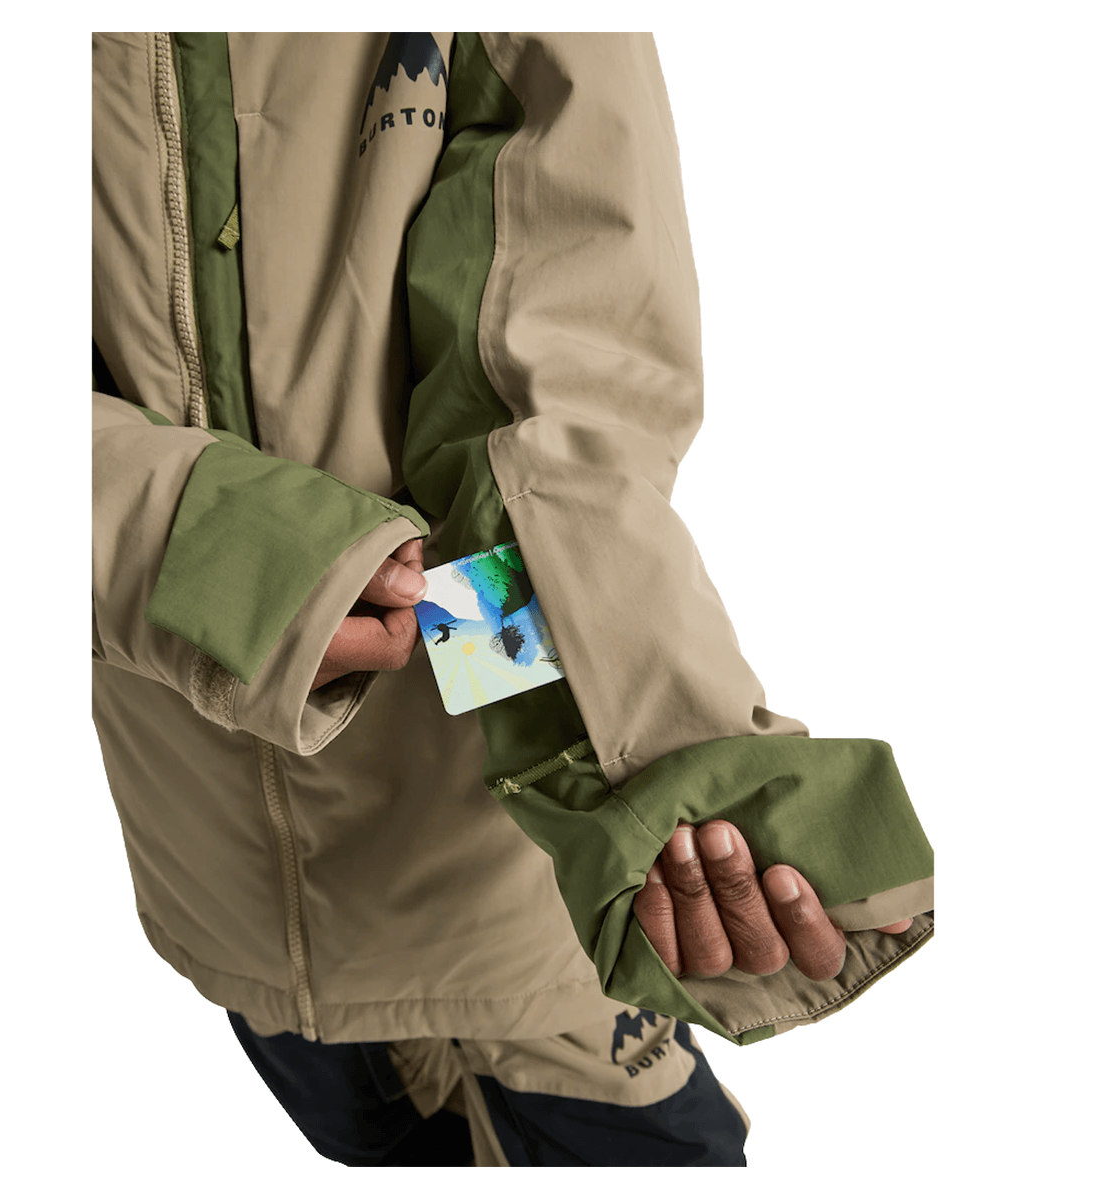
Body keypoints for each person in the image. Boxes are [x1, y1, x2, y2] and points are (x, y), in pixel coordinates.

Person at [92, 31, 934, 1167]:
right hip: (210, 865)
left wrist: (655, 774)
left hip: (525, 896)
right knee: (370, 1147)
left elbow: (533, 420)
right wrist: (205, 549)